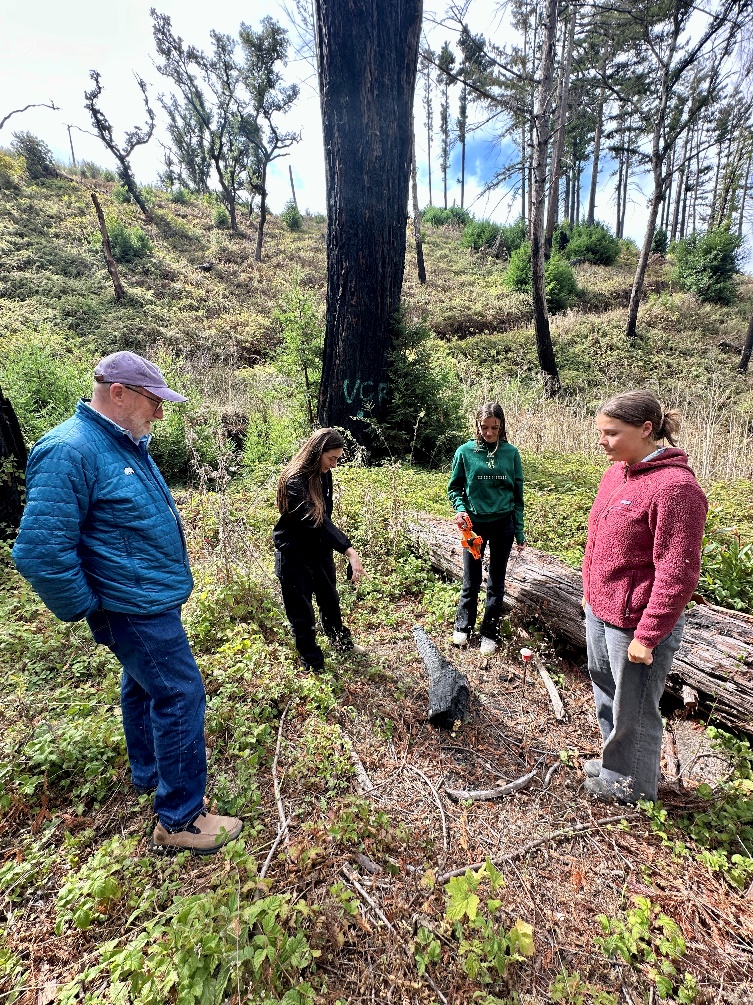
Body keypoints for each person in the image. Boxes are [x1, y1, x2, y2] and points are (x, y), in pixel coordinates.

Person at [12, 351, 242, 855]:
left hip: (146, 599)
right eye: (153, 401)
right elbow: (39, 551)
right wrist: (91, 603)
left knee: (143, 686)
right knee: (180, 692)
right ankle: (180, 818)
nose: (160, 413)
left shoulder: (123, 444)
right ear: (118, 393)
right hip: (130, 607)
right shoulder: (70, 450)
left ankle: (150, 772)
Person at [582, 390, 708, 804]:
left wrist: (648, 635)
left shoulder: (675, 488)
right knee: (607, 690)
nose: (603, 441)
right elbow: (598, 540)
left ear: (646, 429)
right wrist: (589, 597)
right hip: (600, 609)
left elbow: (678, 571)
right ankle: (615, 763)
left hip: (635, 622)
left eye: (612, 433)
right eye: (601, 432)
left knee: (634, 708)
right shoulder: (618, 472)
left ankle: (631, 788)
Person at [274, 428, 365, 672]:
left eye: (337, 459)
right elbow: (315, 519)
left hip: (318, 550)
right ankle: (312, 663)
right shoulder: (294, 480)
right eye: (331, 458)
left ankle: (342, 643)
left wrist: (335, 546)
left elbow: (326, 515)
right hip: (294, 554)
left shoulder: (324, 473)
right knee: (301, 612)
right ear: (317, 452)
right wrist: (348, 549)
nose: (334, 465)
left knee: (330, 600)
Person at [447, 402, 526, 656]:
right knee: (471, 578)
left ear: (501, 426)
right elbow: (454, 488)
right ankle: (463, 626)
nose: (489, 433)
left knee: (496, 581)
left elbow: (517, 495)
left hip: (503, 524)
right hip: (474, 526)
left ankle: (489, 632)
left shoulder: (511, 453)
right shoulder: (465, 452)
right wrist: (460, 509)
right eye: (484, 427)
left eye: (494, 427)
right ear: (477, 426)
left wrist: (520, 531)